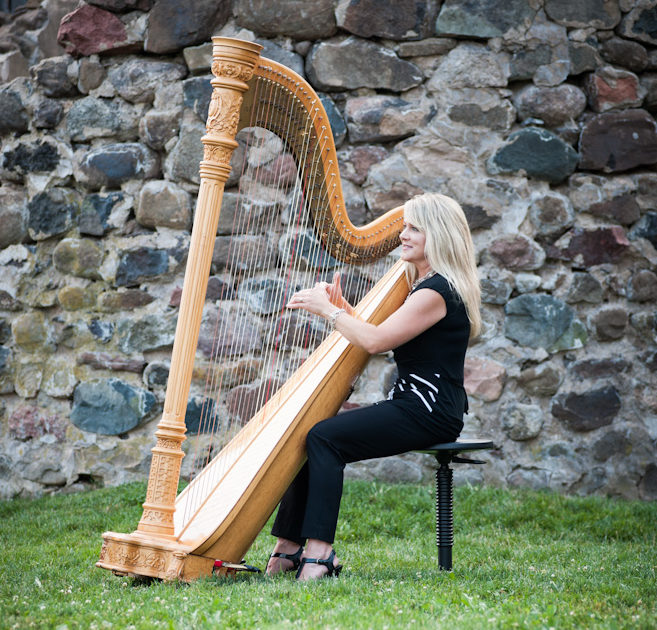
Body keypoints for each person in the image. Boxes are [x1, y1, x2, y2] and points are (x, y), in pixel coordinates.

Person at [266, 192, 481, 580]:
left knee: (325, 438)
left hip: (427, 410)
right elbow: (385, 332)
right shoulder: (428, 285)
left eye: (415, 228)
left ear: (440, 235)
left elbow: (377, 342)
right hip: (416, 404)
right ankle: (289, 547)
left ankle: (319, 553)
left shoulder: (436, 291)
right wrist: (345, 308)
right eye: (404, 227)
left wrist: (329, 312)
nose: (404, 235)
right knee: (310, 432)